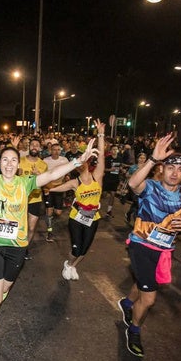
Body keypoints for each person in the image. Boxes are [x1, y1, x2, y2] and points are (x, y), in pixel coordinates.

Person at [0, 125, 97, 355]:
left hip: (17, 248)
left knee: (3, 290)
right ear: (0, 162)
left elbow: (52, 175)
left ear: (18, 163)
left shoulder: (26, 183)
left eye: (13, 160)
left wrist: (78, 161)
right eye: (5, 159)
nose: (9, 163)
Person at [118, 135, 181, 358]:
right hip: (141, 245)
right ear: (162, 169)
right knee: (149, 298)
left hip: (165, 250)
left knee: (144, 282)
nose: (174, 172)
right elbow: (133, 184)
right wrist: (152, 159)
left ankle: (127, 303)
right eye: (170, 167)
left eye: (180, 168)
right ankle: (134, 330)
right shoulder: (151, 188)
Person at [48, 119, 106, 280]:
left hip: (93, 218)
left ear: (88, 162)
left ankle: (72, 266)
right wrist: (45, 188)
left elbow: (101, 156)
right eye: (79, 161)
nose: (82, 163)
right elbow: (56, 188)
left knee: (85, 249)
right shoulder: (75, 182)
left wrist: (100, 134)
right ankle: (69, 263)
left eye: (84, 159)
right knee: (76, 249)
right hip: (77, 218)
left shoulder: (97, 177)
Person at [42, 143, 69, 242]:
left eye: (58, 149)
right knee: (49, 210)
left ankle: (50, 216)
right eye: (54, 149)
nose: (56, 151)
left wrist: (67, 176)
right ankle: (49, 232)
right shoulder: (46, 161)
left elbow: (67, 170)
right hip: (48, 188)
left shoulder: (64, 160)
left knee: (58, 212)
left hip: (59, 187)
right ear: (50, 151)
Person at [124, 153, 147, 224]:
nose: (142, 159)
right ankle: (136, 222)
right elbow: (127, 175)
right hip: (133, 189)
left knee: (137, 204)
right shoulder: (133, 167)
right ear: (137, 159)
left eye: (143, 158)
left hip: (143, 188)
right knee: (137, 203)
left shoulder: (147, 167)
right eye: (140, 158)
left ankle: (129, 213)